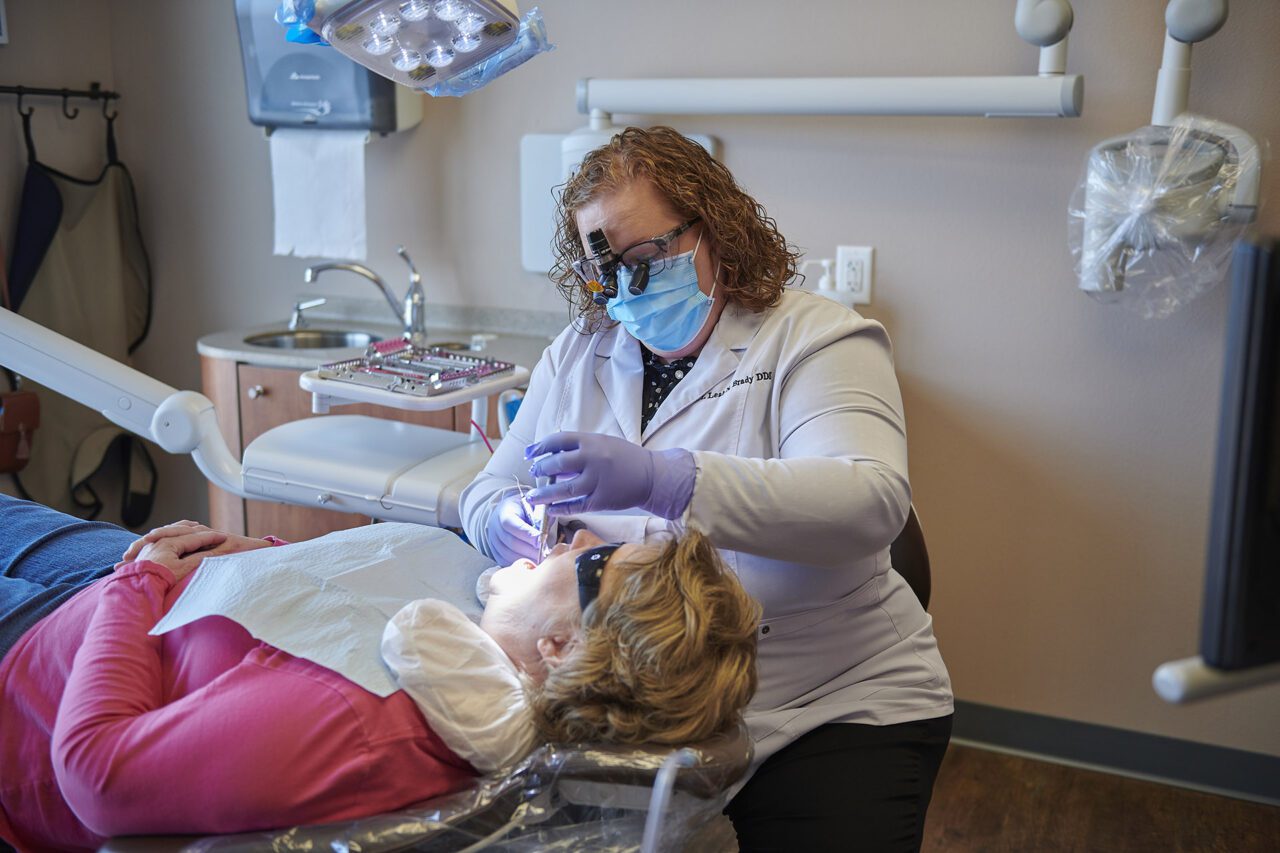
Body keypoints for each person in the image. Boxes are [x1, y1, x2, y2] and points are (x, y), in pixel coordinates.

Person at [459, 125, 955, 852]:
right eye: (607, 266)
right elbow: (488, 484)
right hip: (641, 709)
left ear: (714, 228)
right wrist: (503, 518)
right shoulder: (578, 353)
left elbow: (871, 500)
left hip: (824, 700)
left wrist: (666, 480)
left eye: (648, 256)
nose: (627, 285)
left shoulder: (817, 339)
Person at [0, 493, 759, 851]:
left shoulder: (366, 725)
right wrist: (261, 557)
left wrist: (142, 582)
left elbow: (96, 774)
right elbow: (347, 598)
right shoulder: (471, 642)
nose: (574, 539)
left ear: (561, 648)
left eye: (593, 558)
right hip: (143, 595)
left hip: (31, 684)